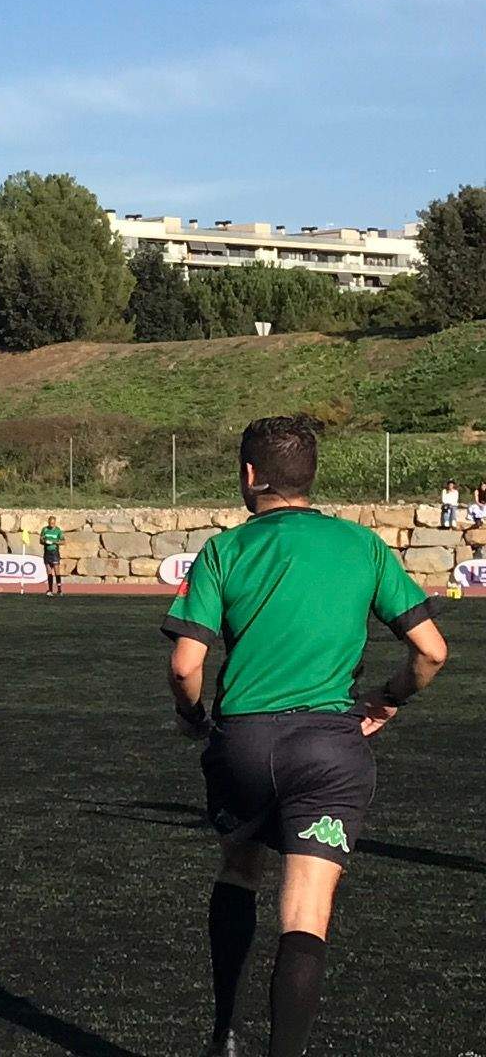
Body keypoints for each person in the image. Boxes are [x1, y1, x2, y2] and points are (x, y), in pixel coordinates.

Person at [162, 416, 448, 1057]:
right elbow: (431, 651)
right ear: (311, 477)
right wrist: (389, 698)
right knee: (306, 912)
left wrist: (192, 718)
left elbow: (185, 666)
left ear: (249, 476)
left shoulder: (224, 551)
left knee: (239, 869)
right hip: (329, 748)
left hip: (243, 742)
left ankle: (223, 1034)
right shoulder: (362, 545)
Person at [40, 516, 65, 596]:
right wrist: (45, 541)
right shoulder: (45, 529)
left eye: (53, 523)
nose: (52, 525)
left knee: (56, 570)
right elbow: (41, 540)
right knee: (49, 571)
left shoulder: (58, 530)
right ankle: (50, 590)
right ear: (48, 522)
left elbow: (63, 541)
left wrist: (54, 542)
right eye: (50, 523)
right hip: (47, 552)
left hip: (54, 552)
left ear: (55, 523)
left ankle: (59, 590)